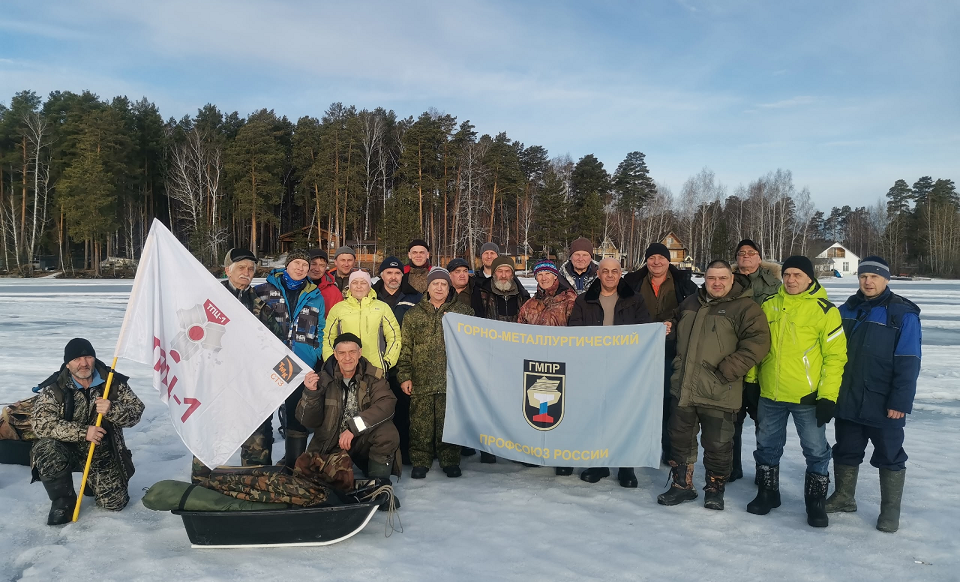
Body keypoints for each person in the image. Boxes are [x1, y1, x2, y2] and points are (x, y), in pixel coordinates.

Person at [657, 260, 770, 510]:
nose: (716, 283)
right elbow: (674, 326)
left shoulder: (745, 307)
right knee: (680, 438)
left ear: (731, 279)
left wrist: (729, 369)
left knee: (718, 444)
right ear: (704, 279)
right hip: (684, 387)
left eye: (722, 278)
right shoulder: (690, 303)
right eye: (711, 278)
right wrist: (669, 328)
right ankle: (682, 485)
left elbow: (758, 342)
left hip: (720, 388)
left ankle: (715, 488)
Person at [747, 255, 847, 528]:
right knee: (766, 446)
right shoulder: (769, 305)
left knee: (815, 450)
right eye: (787, 274)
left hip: (808, 397)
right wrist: (752, 382)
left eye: (797, 275)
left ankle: (815, 502)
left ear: (809, 278)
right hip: (771, 394)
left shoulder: (825, 310)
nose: (791, 280)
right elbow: (756, 348)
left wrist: (828, 396)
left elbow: (835, 358)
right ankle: (768, 493)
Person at [827, 256, 920, 533]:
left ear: (886, 279)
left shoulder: (902, 314)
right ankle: (844, 497)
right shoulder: (846, 310)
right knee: (845, 450)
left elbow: (909, 360)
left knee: (891, 455)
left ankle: (890, 511)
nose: (868, 281)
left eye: (875, 276)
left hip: (884, 402)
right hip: (848, 397)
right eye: (864, 276)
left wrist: (900, 402)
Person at [30, 338, 145, 525]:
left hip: (102, 451)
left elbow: (136, 413)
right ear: (68, 363)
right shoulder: (55, 387)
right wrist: (83, 432)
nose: (83, 363)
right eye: (77, 359)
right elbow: (41, 424)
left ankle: (92, 483)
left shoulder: (112, 382)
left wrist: (112, 409)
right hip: (66, 449)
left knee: (115, 504)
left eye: (88, 357)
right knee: (46, 449)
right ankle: (63, 501)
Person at [569, 258, 652, 486]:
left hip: (627, 368)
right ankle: (599, 463)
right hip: (594, 367)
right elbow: (574, 331)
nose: (610, 275)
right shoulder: (584, 300)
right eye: (605, 271)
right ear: (598, 274)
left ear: (621, 274)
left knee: (626, 415)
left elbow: (644, 330)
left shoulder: (634, 300)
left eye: (615, 271)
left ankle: (626, 466)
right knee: (597, 416)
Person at [624, 242, 698, 464]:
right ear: (646, 261)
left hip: (671, 350)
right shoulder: (632, 283)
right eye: (652, 258)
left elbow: (693, 312)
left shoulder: (683, 284)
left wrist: (674, 326)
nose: (656, 262)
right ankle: (634, 448)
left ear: (669, 261)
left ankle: (668, 449)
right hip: (637, 352)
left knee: (668, 401)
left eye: (661, 258)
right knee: (636, 400)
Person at [397, 268, 474, 478]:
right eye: (435, 284)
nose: (439, 288)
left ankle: (450, 459)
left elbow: (473, 347)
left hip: (451, 380)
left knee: (448, 422)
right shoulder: (413, 315)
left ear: (449, 287)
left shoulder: (463, 313)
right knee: (420, 423)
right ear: (427, 287)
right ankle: (421, 460)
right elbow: (406, 348)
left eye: (443, 284)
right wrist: (404, 375)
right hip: (421, 379)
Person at [297, 333, 400, 489]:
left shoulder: (374, 377)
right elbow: (308, 421)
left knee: (387, 432)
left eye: (352, 352)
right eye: (342, 353)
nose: (347, 357)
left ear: (360, 353)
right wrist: (311, 394)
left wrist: (354, 427)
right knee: (325, 486)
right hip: (329, 445)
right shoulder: (322, 379)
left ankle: (379, 484)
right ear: (335, 355)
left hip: (360, 441)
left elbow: (386, 404)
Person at [254, 249, 326, 468]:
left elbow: (320, 328)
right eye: (296, 263)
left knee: (296, 414)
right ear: (287, 265)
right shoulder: (263, 290)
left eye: (305, 264)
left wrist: (314, 354)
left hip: (300, 363)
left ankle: (293, 464)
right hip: (269, 361)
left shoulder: (315, 295)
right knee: (263, 413)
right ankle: (260, 465)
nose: (301, 268)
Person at [516, 259, 578, 475]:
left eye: (547, 274)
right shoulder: (529, 305)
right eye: (539, 275)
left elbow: (578, 332)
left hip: (563, 365)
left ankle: (563, 456)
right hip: (536, 367)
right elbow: (519, 334)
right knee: (539, 409)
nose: (543, 278)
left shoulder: (569, 299)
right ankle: (536, 452)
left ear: (555, 276)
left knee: (562, 411)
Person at [730, 239, 782, 481]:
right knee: (731, 417)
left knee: (765, 422)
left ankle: (766, 471)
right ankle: (731, 466)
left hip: (765, 361)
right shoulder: (726, 281)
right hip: (733, 358)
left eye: (751, 253)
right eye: (741, 253)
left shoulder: (775, 284)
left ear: (759, 258)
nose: (746, 257)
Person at [372, 256, 422, 465]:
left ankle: (405, 453)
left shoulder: (415, 298)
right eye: (389, 273)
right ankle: (378, 453)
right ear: (381, 275)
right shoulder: (370, 296)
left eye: (397, 273)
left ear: (403, 275)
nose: (393, 277)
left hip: (404, 363)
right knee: (378, 410)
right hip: (376, 364)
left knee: (404, 410)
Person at [322, 270, 401, 373]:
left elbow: (394, 337)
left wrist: (387, 362)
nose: (359, 286)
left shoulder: (382, 308)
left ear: (369, 286)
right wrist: (332, 362)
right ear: (349, 286)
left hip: (376, 368)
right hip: (345, 369)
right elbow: (327, 338)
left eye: (363, 283)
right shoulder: (338, 309)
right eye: (354, 282)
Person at [473, 256, 529, 323]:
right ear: (493, 273)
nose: (503, 275)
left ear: (512, 274)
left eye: (507, 271)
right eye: (500, 271)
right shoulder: (481, 294)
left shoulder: (523, 297)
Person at [308, 248, 342, 317]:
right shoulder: (296, 286)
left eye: (322, 265)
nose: (317, 269)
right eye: (313, 264)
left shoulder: (334, 292)